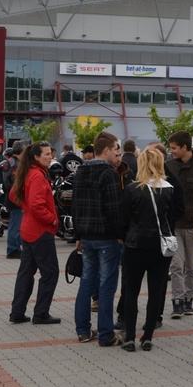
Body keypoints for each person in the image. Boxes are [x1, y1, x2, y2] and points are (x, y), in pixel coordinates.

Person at [117, 148, 179, 352]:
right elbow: (173, 217)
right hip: (160, 249)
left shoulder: (133, 188)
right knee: (156, 292)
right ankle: (148, 337)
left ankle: (129, 338)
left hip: (135, 245)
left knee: (131, 292)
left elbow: (124, 219)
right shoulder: (169, 188)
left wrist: (124, 236)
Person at [71, 131, 124, 346]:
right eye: (115, 149)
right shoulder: (109, 173)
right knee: (106, 286)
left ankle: (83, 331)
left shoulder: (80, 171)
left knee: (86, 283)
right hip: (106, 237)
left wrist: (77, 235)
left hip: (86, 235)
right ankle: (105, 334)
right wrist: (121, 234)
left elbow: (74, 206)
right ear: (107, 150)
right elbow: (115, 209)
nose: (116, 154)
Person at [8, 141, 62, 325]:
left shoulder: (28, 172)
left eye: (50, 153)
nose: (50, 156)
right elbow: (37, 204)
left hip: (29, 230)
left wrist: (27, 208)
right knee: (50, 273)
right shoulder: (37, 175)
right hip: (40, 232)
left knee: (26, 273)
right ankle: (41, 313)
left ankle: (17, 312)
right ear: (36, 157)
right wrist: (52, 219)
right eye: (47, 154)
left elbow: (13, 195)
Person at [165, 130, 193, 320]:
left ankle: (188, 300)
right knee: (176, 265)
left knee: (192, 266)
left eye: (174, 148)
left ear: (185, 147)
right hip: (174, 225)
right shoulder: (168, 166)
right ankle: (177, 302)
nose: (171, 151)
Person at [2, 141, 26, 259]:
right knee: (15, 224)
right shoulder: (14, 163)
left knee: (17, 223)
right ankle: (13, 249)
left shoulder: (11, 162)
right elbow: (8, 182)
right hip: (16, 197)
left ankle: (16, 247)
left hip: (14, 196)